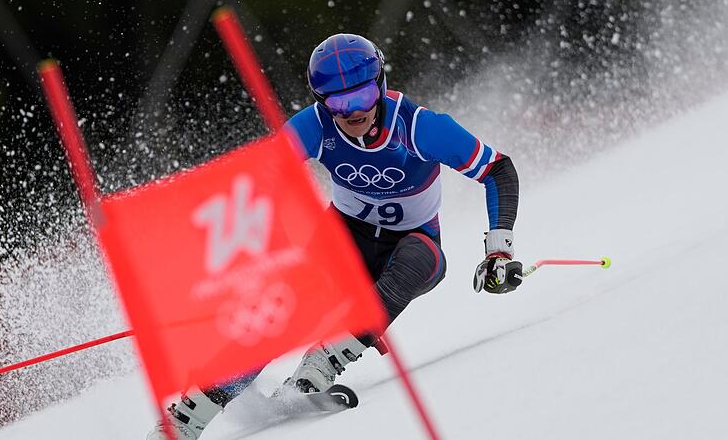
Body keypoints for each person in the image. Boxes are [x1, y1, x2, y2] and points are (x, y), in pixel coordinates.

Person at [148, 33, 521, 439]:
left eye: (360, 97)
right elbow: (261, 185)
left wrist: (498, 251)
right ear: (320, 99)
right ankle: (187, 417)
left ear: (379, 85)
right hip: (343, 238)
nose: (351, 111)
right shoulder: (314, 126)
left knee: (422, 261)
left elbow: (498, 170)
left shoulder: (420, 127)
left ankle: (322, 363)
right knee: (285, 313)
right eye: (337, 102)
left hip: (413, 238)